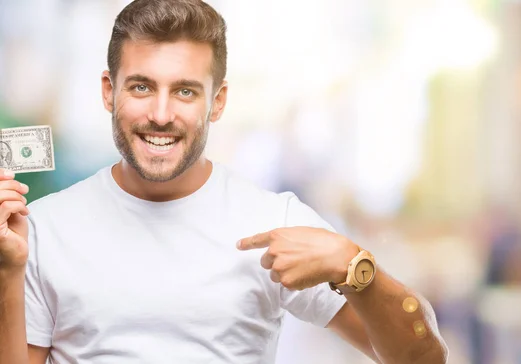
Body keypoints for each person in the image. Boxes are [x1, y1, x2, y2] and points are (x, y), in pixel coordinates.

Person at [0, 1, 448, 363]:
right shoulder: (43, 228)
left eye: (185, 91)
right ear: (107, 91)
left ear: (218, 102)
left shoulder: (275, 221)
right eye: (140, 87)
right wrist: (6, 273)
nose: (160, 113)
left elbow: (425, 360)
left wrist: (358, 268)